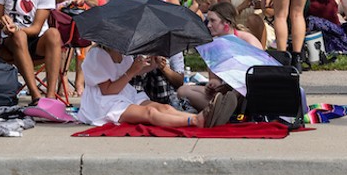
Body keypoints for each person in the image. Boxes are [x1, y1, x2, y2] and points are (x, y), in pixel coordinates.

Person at [77, 43, 237, 128]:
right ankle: (196, 120)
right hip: (104, 103)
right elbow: (107, 91)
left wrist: (151, 65)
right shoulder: (96, 55)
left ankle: (205, 117)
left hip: (124, 93)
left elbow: (127, 73)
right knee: (150, 112)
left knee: (165, 108)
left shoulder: (121, 52)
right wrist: (132, 71)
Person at [0, 0, 64, 103]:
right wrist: (2, 24)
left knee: (53, 34)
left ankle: (50, 96)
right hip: (12, 40)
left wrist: (16, 28)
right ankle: (36, 95)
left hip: (35, 38)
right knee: (19, 36)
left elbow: (37, 28)